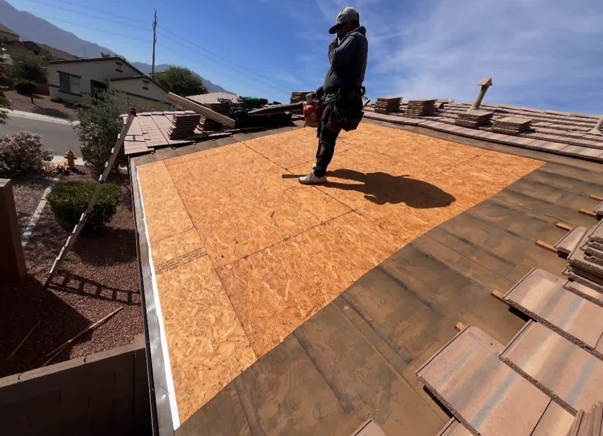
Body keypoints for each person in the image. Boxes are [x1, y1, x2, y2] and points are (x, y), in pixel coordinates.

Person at [299, 6, 369, 185]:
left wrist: (331, 46)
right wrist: (324, 88)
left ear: (350, 24)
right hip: (335, 95)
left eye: (340, 27)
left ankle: (319, 173)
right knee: (324, 133)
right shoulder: (352, 40)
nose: (337, 33)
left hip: (340, 98)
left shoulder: (355, 37)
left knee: (328, 135)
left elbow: (336, 58)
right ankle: (319, 167)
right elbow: (340, 71)